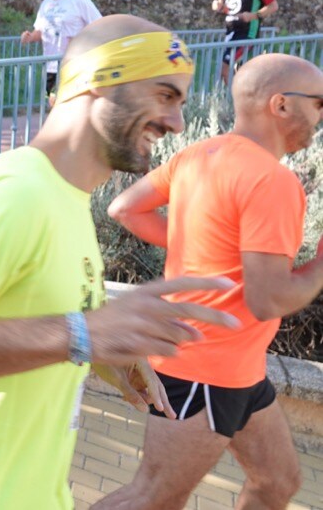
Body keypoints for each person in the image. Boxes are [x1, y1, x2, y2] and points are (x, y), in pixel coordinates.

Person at [0, 14, 240, 510]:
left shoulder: (68, 197)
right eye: (164, 95)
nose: (176, 123)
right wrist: (83, 335)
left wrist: (108, 353)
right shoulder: (18, 193)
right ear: (99, 82)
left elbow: (32, 316)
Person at [92, 53, 323, 510]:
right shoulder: (273, 181)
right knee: (153, 497)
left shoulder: (200, 153)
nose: (320, 116)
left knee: (278, 483)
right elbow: (268, 298)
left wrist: (198, 252)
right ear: (280, 105)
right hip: (204, 368)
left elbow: (125, 209)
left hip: (240, 368)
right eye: (319, 103)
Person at [20, 0, 101, 99]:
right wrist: (29, 37)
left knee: (70, 105)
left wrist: (79, 41)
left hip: (74, 65)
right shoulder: (46, 4)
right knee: (53, 105)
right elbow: (40, 31)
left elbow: (100, 26)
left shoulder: (80, 1)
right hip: (51, 66)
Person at [211, 0, 278, 85]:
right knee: (234, 72)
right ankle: (238, 101)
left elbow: (274, 6)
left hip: (247, 35)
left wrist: (254, 15)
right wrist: (220, 8)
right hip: (230, 34)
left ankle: (235, 103)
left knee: (225, 70)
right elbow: (232, 10)